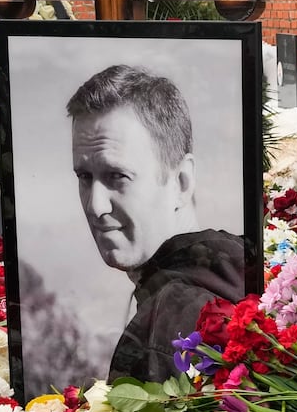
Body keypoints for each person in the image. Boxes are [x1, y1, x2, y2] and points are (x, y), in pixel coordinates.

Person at [67, 64, 247, 383]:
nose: (95, 206)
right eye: (85, 177)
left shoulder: (166, 328)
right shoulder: (235, 264)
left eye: (117, 176)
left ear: (181, 181)